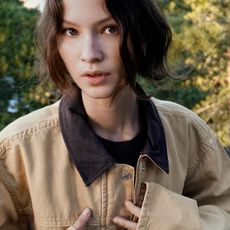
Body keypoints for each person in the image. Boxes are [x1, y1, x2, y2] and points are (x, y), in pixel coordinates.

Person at [0, 0, 230, 229]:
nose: (90, 54)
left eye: (111, 29)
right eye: (71, 31)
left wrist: (179, 223)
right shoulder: (15, 150)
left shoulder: (188, 134)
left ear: (141, 35)